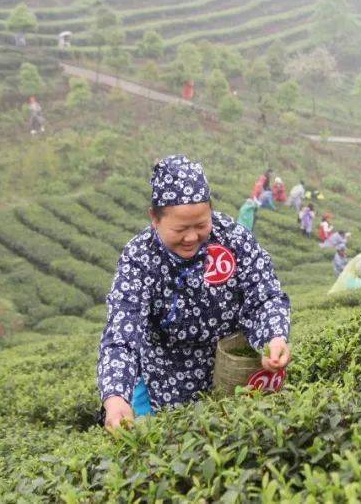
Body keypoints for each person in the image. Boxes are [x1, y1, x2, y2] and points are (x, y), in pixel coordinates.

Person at [97, 155, 291, 431]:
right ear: (154, 218)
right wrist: (115, 396)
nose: (191, 238)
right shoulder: (139, 259)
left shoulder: (232, 239)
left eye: (201, 225)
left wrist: (274, 336)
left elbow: (264, 295)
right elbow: (122, 333)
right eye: (180, 229)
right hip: (166, 383)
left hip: (233, 377)